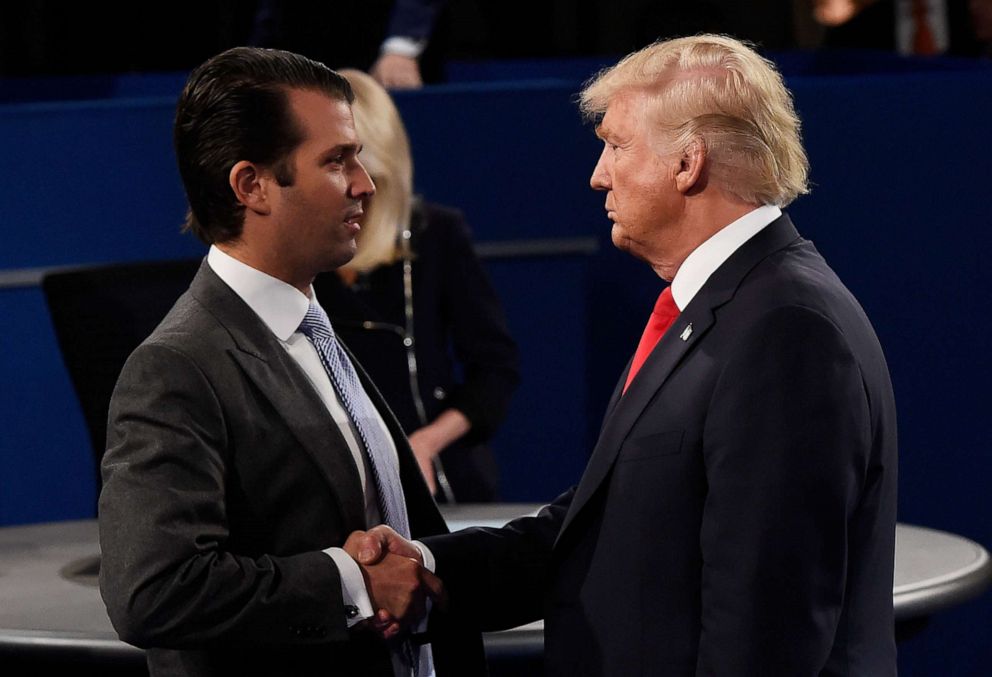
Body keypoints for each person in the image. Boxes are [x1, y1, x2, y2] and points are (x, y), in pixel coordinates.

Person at [357, 34, 899, 676]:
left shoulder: (786, 330)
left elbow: (763, 634)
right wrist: (434, 567)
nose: (597, 174)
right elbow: (602, 524)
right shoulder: (720, 307)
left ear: (687, 163)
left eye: (616, 145)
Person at [97, 46, 484, 677]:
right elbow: (155, 592)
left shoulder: (313, 329)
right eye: (337, 160)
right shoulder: (176, 367)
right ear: (252, 186)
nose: (366, 182)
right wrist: (351, 581)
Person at [313, 68, 518, 503]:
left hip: (438, 480)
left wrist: (424, 444)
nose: (358, 191)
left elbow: (495, 369)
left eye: (366, 177)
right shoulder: (303, 252)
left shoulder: (436, 234)